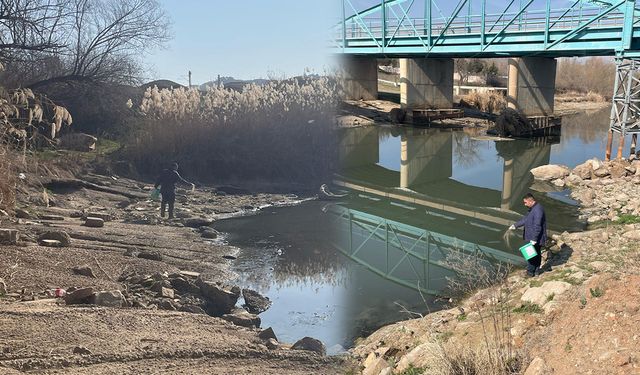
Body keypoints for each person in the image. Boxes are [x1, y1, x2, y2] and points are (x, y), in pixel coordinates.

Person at [509, 192, 547, 277]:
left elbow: (538, 226)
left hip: (536, 237)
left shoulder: (538, 210)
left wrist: (534, 239)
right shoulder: (533, 209)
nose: (525, 204)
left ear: (530, 201)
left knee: (531, 255)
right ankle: (536, 271)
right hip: (534, 237)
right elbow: (526, 219)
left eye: (525, 202)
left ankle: (530, 272)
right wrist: (515, 225)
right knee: (536, 254)